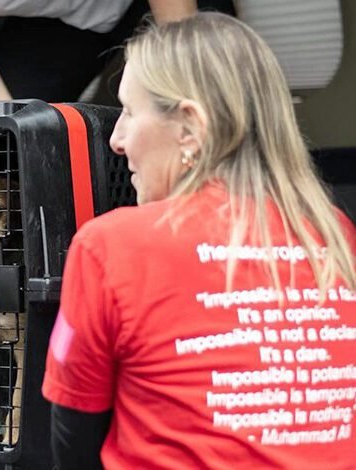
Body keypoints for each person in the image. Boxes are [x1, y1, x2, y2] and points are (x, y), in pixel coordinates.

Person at [42, 12, 356, 470]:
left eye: (129, 111)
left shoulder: (111, 246)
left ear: (189, 126)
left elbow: (73, 443)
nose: (117, 139)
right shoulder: (333, 231)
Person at [0, 0, 202, 103]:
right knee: (22, 123)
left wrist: (179, 79)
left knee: (185, 89)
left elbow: (180, 39)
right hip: (64, 24)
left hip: (159, 6)